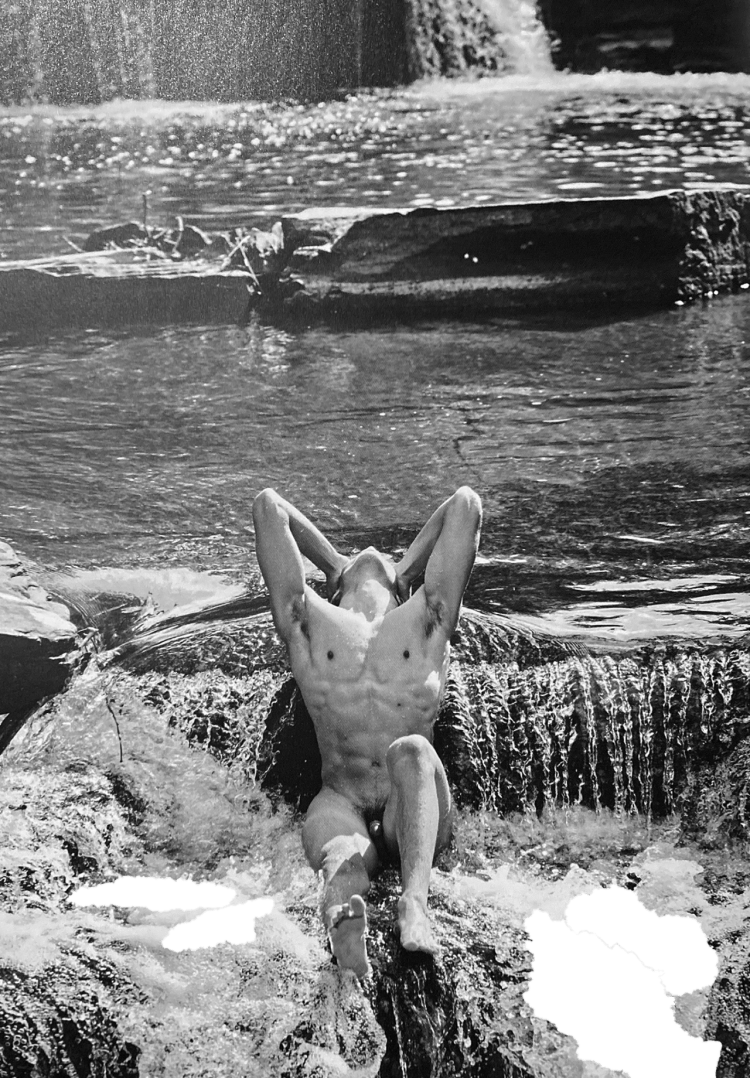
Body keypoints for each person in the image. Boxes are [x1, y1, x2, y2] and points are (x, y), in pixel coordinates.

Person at [252, 486, 482, 979]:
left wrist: (406, 570)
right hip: (341, 797)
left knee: (413, 751)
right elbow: (269, 507)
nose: (372, 555)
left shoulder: (427, 617)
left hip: (411, 802)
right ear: (338, 588)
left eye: (383, 564)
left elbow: (465, 505)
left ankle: (414, 904)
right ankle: (343, 931)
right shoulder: (309, 623)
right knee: (341, 859)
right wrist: (334, 563)